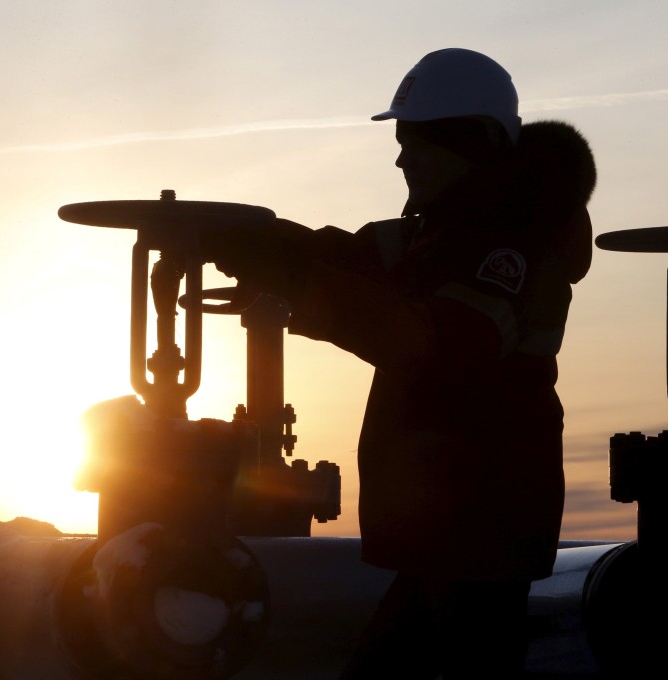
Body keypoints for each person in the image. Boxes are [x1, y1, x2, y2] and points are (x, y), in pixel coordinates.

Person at [202, 47, 596, 679]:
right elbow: (352, 261)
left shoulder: (509, 248)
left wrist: (299, 293)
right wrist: (260, 246)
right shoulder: (444, 232)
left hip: (480, 529)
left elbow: (431, 341)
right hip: (451, 529)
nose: (400, 156)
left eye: (414, 140)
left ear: (465, 143)